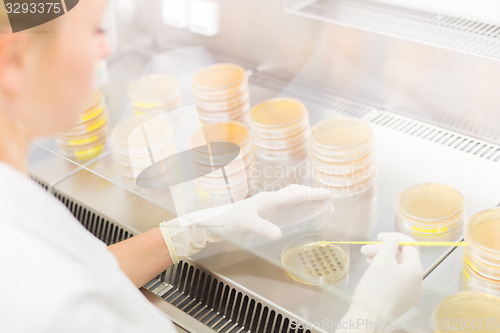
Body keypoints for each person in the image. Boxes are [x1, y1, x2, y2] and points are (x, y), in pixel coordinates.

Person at [0, 1, 423, 332]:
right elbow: (71, 298)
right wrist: (368, 317)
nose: (106, 48)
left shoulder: (14, 201)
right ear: (14, 61)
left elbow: (89, 273)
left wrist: (195, 228)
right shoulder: (57, 312)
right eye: (94, 29)